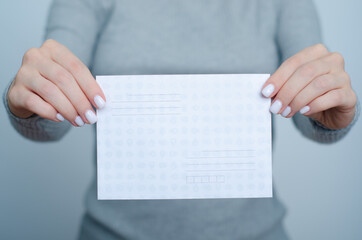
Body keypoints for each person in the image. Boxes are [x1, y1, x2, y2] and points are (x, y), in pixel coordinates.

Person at [3, 0, 359, 239]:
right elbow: (52, 115)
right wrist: (31, 98)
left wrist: (330, 109)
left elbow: (315, 113)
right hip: (112, 233)